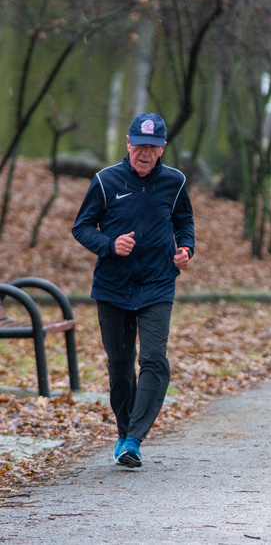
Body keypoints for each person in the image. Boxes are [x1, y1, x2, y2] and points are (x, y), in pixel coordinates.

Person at [72, 113, 195, 468]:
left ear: (162, 149)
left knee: (154, 359)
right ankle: (125, 435)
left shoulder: (175, 181)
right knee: (121, 366)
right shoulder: (105, 180)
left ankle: (134, 439)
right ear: (128, 143)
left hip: (157, 283)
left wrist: (186, 249)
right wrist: (110, 245)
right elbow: (82, 227)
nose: (144, 153)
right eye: (139, 145)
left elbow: (183, 221)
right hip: (113, 287)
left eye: (152, 147)